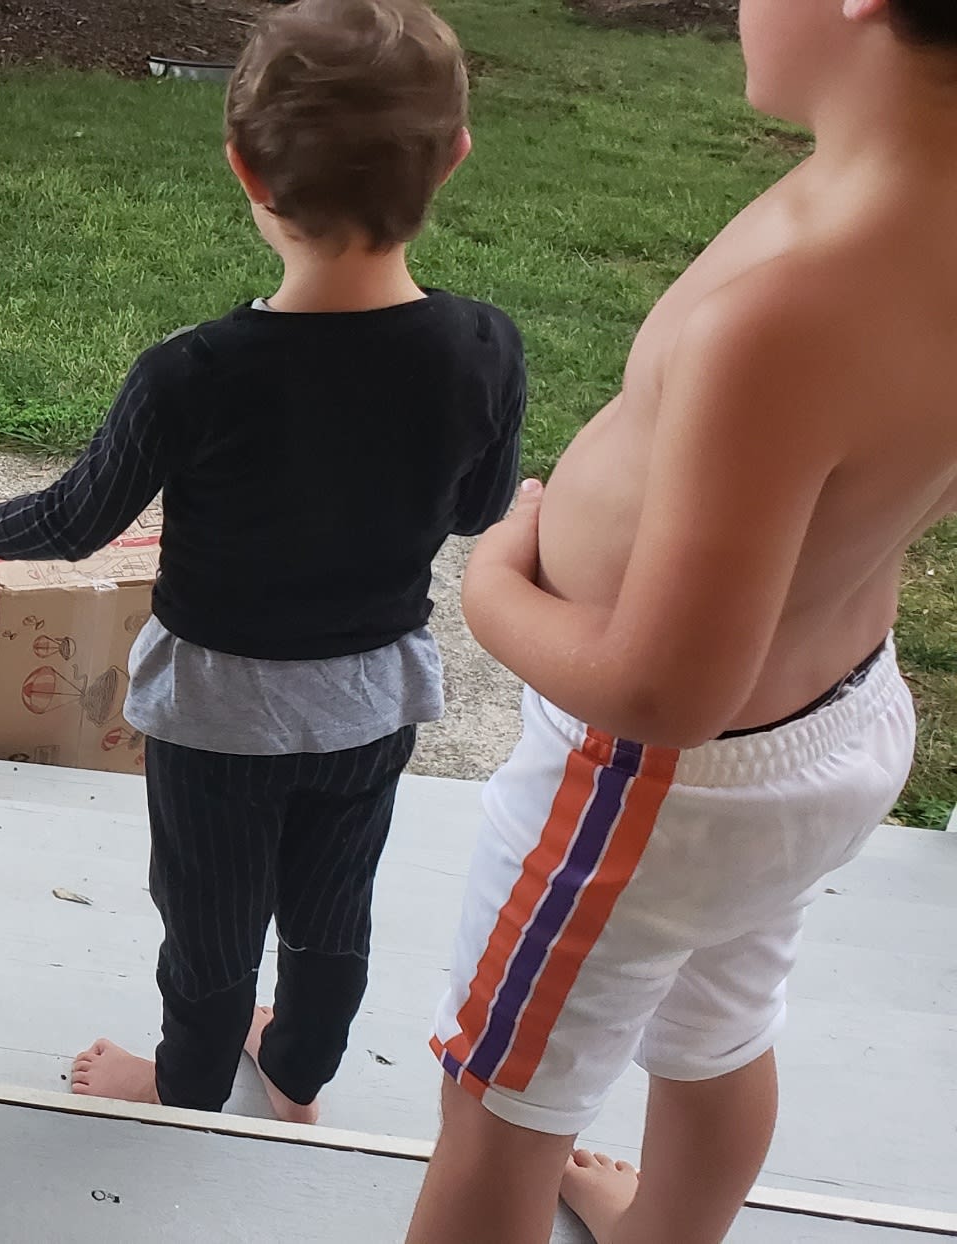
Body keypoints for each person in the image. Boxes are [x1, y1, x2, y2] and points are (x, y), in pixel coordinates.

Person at [0, 0, 523, 1125]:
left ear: (244, 168)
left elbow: (75, 521)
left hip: (217, 716)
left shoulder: (194, 372)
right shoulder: (483, 346)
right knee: (331, 915)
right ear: (454, 158)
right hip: (371, 701)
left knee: (212, 924)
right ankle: (299, 1076)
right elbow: (476, 509)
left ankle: (184, 1086)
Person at [404, 2, 957, 1240]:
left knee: (498, 1101)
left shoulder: (791, 311)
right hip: (828, 728)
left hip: (649, 788)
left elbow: (663, 691)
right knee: (718, 1028)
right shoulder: (905, 216)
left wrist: (493, 585)